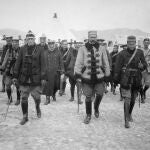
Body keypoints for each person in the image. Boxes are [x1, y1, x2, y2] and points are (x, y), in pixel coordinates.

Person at [74, 31, 110, 124]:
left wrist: (107, 76)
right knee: (88, 97)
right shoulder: (82, 48)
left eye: (94, 37)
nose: (93, 38)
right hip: (86, 76)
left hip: (99, 76)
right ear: (88, 37)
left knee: (100, 94)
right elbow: (78, 63)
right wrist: (78, 75)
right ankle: (88, 114)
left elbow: (106, 63)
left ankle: (96, 107)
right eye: (91, 37)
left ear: (96, 37)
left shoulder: (102, 48)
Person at [13, 30, 47, 125]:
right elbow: (18, 63)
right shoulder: (22, 49)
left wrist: (43, 77)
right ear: (26, 39)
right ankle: (25, 116)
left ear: (34, 39)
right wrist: (15, 76)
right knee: (24, 98)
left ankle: (37, 107)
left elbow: (43, 65)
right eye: (28, 39)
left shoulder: (40, 49)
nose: (30, 40)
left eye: (32, 38)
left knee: (37, 97)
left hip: (35, 79)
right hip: (24, 79)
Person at [114, 36, 147, 128]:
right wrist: (116, 80)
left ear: (135, 43)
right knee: (127, 100)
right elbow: (117, 67)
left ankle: (129, 114)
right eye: (129, 43)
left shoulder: (140, 52)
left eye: (133, 43)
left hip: (137, 79)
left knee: (133, 100)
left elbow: (145, 64)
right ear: (127, 43)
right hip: (126, 79)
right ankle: (126, 120)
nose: (131, 45)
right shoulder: (122, 53)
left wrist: (142, 66)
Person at [43, 40, 64, 104]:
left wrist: (62, 71)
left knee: (56, 85)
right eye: (50, 45)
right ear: (48, 46)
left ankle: (53, 94)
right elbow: (43, 63)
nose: (51, 47)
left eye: (52, 45)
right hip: (48, 73)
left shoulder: (58, 52)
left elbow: (61, 62)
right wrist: (43, 72)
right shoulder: (45, 53)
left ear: (54, 45)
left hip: (56, 72)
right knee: (48, 86)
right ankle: (47, 99)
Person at [140, 38, 150, 103]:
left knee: (147, 85)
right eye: (145, 42)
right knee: (140, 84)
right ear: (143, 43)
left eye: (148, 42)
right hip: (141, 69)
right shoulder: (140, 51)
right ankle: (142, 97)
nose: (146, 43)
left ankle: (144, 91)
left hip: (148, 70)